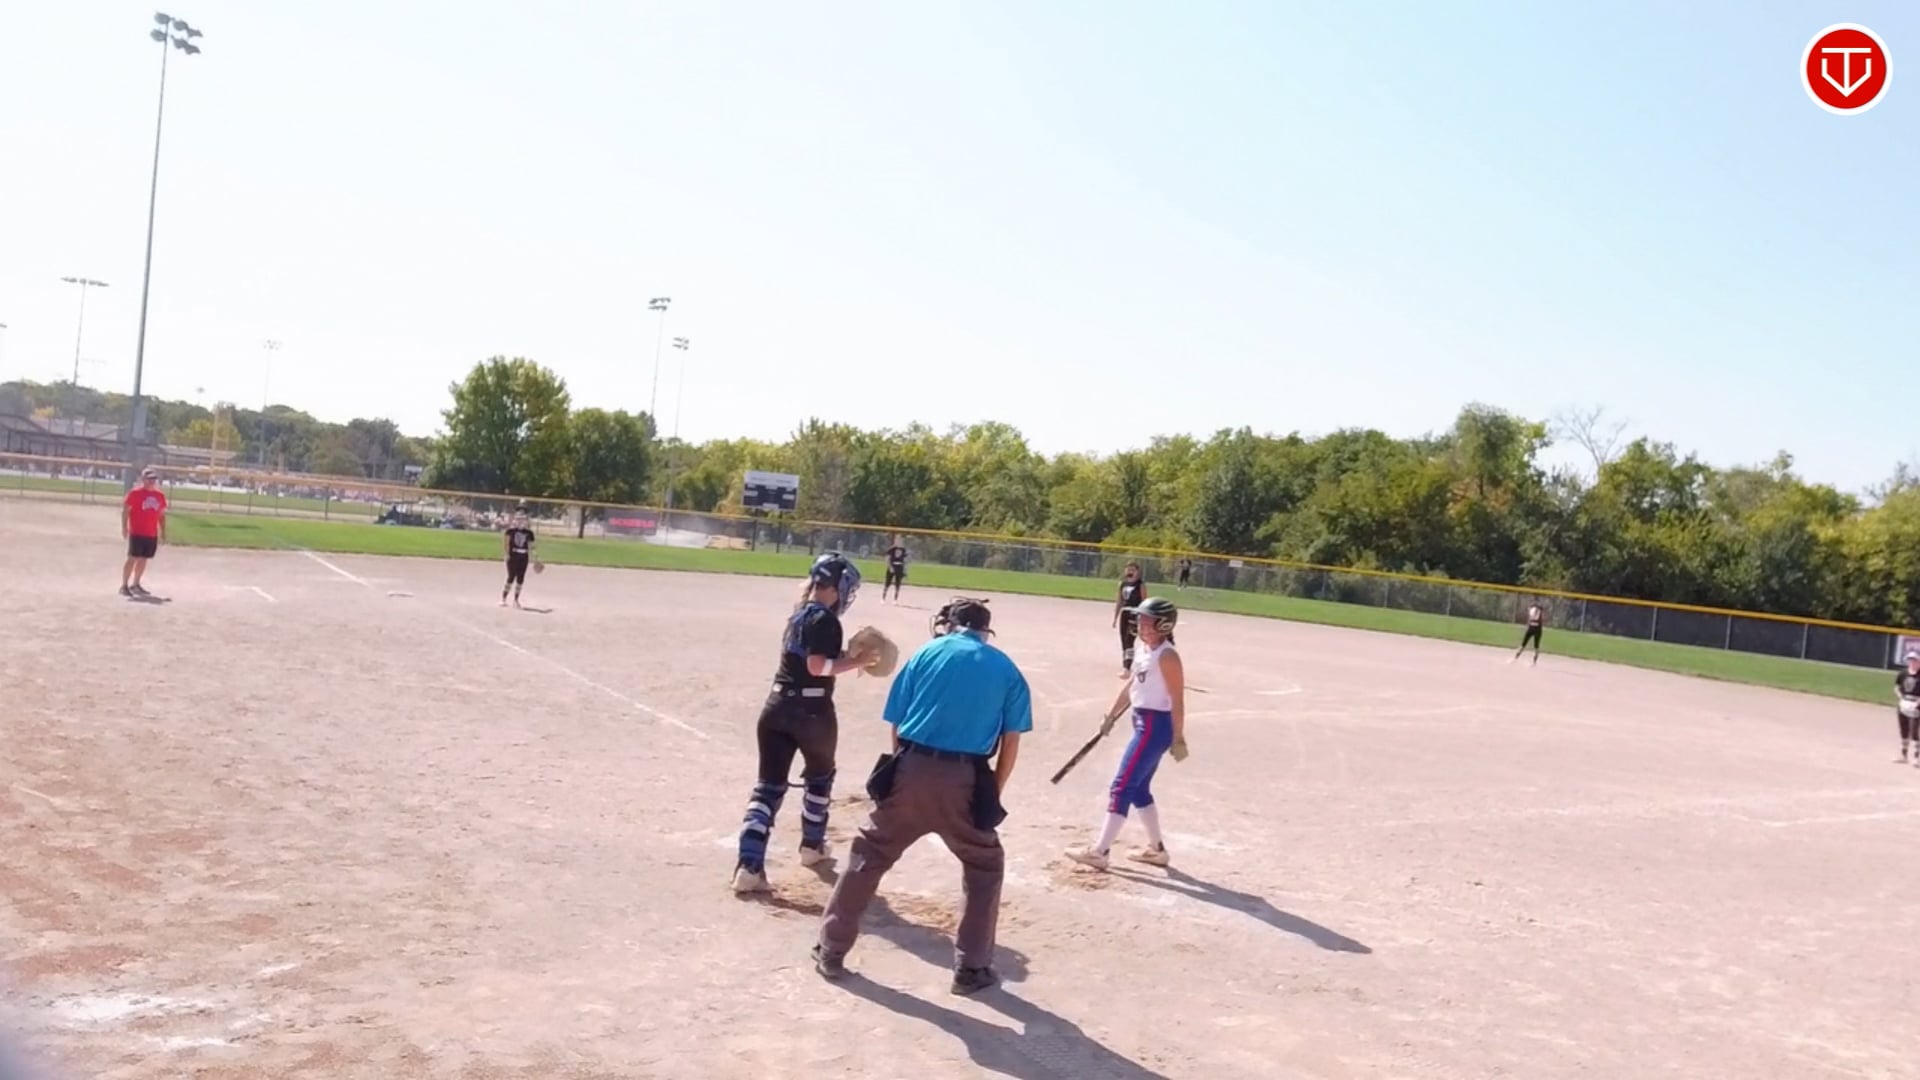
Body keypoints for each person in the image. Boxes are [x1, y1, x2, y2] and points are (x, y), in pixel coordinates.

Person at [814, 597, 1032, 995]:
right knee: (984, 864)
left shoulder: (925, 653)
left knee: (869, 853)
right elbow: (1011, 741)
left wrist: (902, 770)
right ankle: (971, 969)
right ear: (985, 631)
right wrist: (991, 793)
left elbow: (897, 723)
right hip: (967, 777)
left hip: (911, 767)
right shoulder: (1006, 668)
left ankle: (831, 949)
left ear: (950, 624)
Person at [731, 552, 875, 895]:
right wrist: (856, 662)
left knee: (768, 787)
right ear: (837, 587)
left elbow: (808, 661)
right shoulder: (825, 619)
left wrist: (846, 658)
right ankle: (812, 846)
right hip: (812, 712)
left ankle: (748, 866)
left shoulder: (798, 615)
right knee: (820, 778)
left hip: (776, 708)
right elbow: (816, 667)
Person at [1068, 595, 1187, 872]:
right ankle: (1157, 850)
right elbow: (1131, 687)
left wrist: (1178, 736)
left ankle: (1100, 851)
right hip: (1143, 722)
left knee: (1121, 786)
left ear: (1164, 624)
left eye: (1146, 620)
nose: (1140, 624)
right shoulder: (1144, 650)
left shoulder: (1167, 656)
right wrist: (1110, 716)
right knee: (1139, 789)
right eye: (1140, 619)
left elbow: (1177, 700)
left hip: (1155, 727)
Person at [120, 467, 168, 598]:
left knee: (143, 559)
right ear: (143, 479)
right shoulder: (135, 493)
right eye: (149, 479)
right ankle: (124, 585)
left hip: (151, 533)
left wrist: (163, 531)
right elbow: (126, 511)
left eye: (154, 479)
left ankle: (136, 584)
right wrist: (124, 527)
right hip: (137, 531)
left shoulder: (160, 495)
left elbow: (161, 515)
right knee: (132, 558)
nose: (152, 481)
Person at [1112, 561, 1148, 674]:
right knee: (1123, 639)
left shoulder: (1140, 585)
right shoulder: (1122, 584)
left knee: (1129, 639)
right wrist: (1115, 617)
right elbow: (1119, 601)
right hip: (1125, 613)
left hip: (1135, 613)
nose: (1130, 572)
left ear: (1137, 572)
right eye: (1128, 569)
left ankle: (1127, 667)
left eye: (1133, 570)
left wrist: (1144, 617)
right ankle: (1126, 662)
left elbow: (1145, 601)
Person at [501, 509, 536, 607]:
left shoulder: (529, 533)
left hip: (524, 556)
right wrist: (507, 554)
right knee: (511, 577)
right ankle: (503, 598)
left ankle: (516, 600)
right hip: (513, 555)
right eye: (519, 519)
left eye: (523, 519)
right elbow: (506, 543)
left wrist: (535, 557)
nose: (521, 521)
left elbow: (531, 546)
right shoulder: (510, 531)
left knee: (520, 578)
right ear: (515, 520)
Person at [1896, 651, 1920, 764]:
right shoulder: (1903, 673)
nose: (1912, 662)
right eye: (1910, 660)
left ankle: (1916, 757)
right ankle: (1903, 755)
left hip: (1916, 704)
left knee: (1914, 731)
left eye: (1914, 660)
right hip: (1904, 702)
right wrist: (1900, 696)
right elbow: (1896, 686)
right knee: (1904, 729)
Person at [1512, 600, 1545, 665]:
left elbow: (1530, 618)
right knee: (1536, 646)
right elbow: (1541, 619)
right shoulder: (1539, 610)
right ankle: (1534, 662)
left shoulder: (1531, 609)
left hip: (1531, 628)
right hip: (1537, 629)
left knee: (1524, 644)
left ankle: (1515, 658)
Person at [882, 535, 909, 603]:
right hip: (892, 566)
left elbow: (905, 560)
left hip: (899, 567)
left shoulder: (903, 549)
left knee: (897, 584)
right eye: (897, 540)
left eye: (900, 540)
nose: (899, 541)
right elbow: (887, 559)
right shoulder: (891, 549)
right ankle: (883, 598)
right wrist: (890, 567)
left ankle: (895, 599)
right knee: (887, 583)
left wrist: (905, 569)